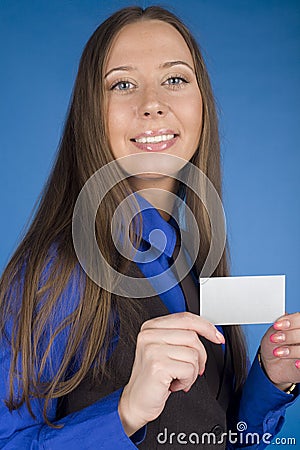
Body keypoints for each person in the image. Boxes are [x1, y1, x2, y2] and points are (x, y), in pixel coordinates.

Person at [0, 5, 299, 450]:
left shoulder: (193, 259)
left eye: (174, 79)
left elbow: (210, 437)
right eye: (123, 84)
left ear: (202, 102)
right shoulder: (55, 271)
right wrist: (125, 412)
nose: (152, 105)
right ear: (90, 113)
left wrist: (271, 382)